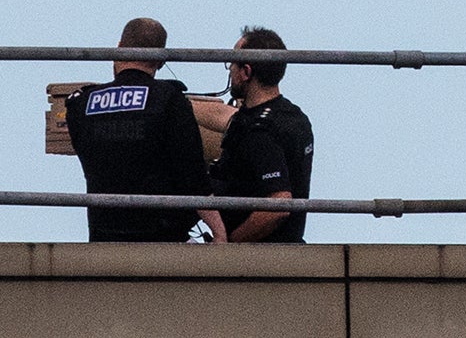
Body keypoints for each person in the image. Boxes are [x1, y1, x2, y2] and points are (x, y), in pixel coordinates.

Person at [65, 17, 211, 242]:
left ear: (119, 49)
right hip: (162, 237)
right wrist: (219, 230)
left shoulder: (80, 104)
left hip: (103, 235)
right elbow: (192, 174)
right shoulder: (169, 100)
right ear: (160, 61)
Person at [196, 27, 315, 244]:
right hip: (290, 248)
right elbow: (225, 117)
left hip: (258, 257)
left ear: (246, 72)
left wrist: (229, 243)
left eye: (232, 63)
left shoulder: (258, 132)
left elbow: (279, 205)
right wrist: (176, 104)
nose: (230, 70)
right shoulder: (292, 116)